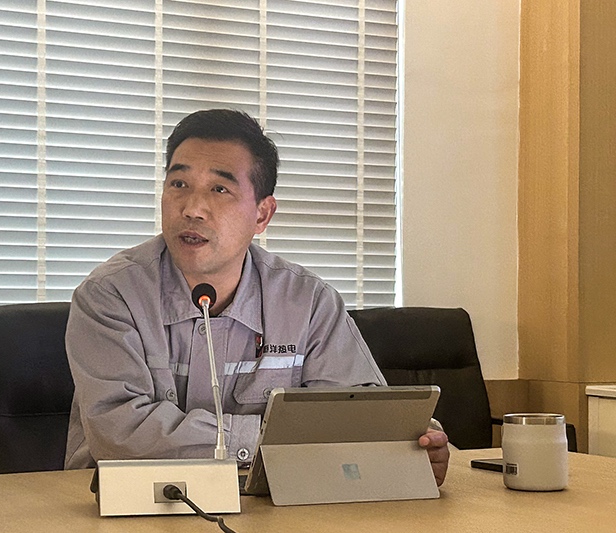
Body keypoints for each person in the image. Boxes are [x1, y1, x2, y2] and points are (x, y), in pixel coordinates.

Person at [64, 109, 450, 486]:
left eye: (219, 189)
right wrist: (273, 441)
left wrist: (410, 442)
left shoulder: (308, 303)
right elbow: (120, 434)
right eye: (179, 184)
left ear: (262, 214)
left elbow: (358, 418)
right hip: (122, 505)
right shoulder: (110, 296)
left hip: (272, 504)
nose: (192, 209)